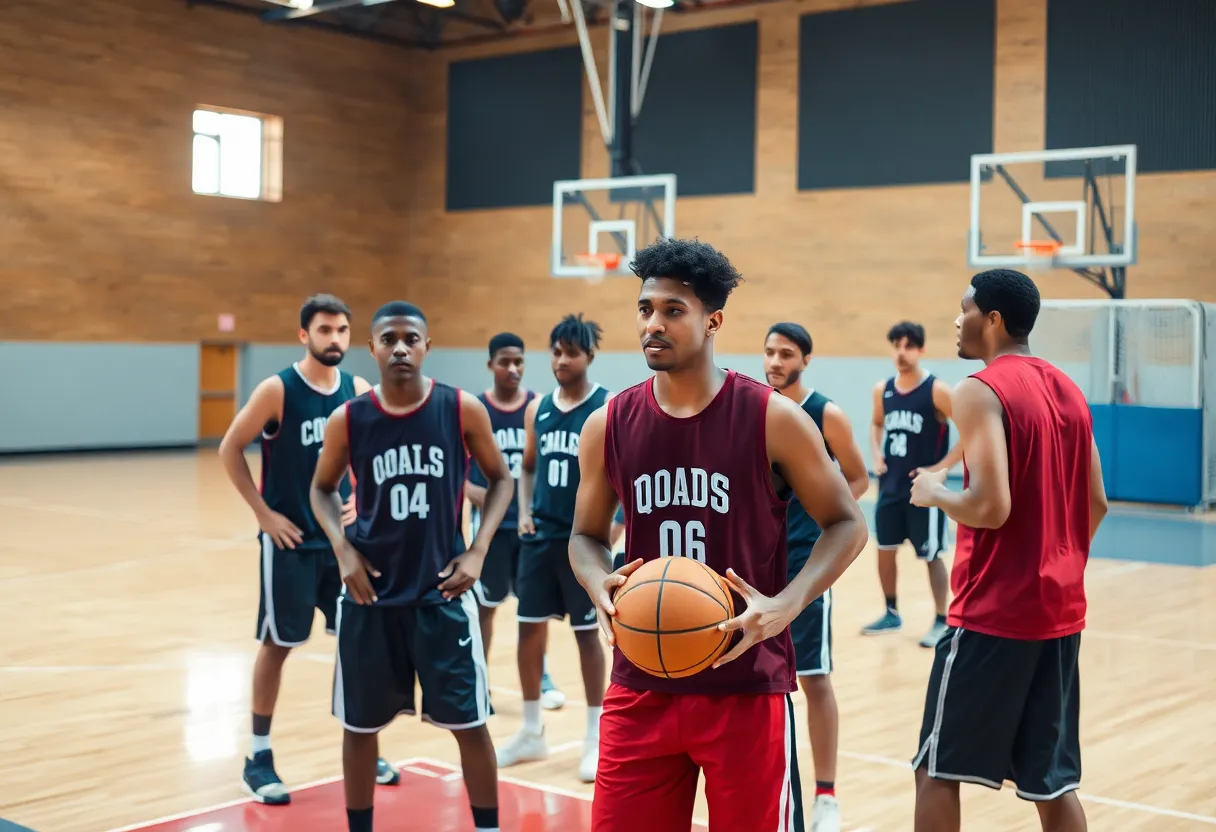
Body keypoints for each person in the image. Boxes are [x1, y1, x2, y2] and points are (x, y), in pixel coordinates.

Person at [569, 238, 870, 831]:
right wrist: (597, 582)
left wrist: (789, 601)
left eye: (673, 311)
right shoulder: (609, 424)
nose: (653, 324)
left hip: (747, 685)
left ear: (713, 321)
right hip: (641, 683)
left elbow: (848, 522)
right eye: (645, 309)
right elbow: (584, 537)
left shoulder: (773, 418)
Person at [909, 269, 1107, 832]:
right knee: (1052, 783)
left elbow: (991, 506)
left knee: (936, 770)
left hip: (992, 616)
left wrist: (936, 492)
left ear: (991, 319)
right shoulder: (1068, 388)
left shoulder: (978, 387)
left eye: (964, 308)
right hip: (1059, 613)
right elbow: (1096, 502)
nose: (956, 319)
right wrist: (1056, 562)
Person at [309, 301, 515, 832]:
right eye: (388, 339)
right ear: (373, 347)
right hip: (369, 598)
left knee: (471, 726)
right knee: (359, 729)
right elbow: (321, 489)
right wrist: (342, 548)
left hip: (439, 596)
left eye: (411, 338)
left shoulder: (460, 408)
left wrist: (478, 551)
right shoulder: (349, 419)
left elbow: (502, 480)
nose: (400, 347)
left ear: (427, 345)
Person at [217, 294, 398, 804]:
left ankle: (366, 745)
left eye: (342, 330)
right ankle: (258, 756)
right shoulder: (278, 389)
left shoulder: (358, 389)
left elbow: (375, 451)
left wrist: (360, 496)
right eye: (325, 330)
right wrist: (263, 514)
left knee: (357, 646)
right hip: (292, 544)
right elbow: (230, 448)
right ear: (304, 335)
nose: (335, 339)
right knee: (279, 645)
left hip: (343, 545)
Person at [763, 322, 870, 832]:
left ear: (805, 360)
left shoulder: (825, 412)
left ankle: (825, 794)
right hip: (759, 567)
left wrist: (821, 501)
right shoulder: (760, 408)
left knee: (814, 677)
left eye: (786, 354)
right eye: (769, 352)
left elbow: (858, 476)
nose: (776, 361)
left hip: (808, 564)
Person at [495, 314, 608, 783]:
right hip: (541, 539)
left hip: (583, 543)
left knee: (587, 637)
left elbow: (620, 476)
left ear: (589, 356)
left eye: (571, 352)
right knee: (528, 631)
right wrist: (523, 511)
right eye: (556, 352)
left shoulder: (605, 408)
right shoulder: (537, 408)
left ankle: (594, 737)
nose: (562, 360)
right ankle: (530, 729)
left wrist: (615, 526)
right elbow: (527, 467)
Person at [465, 332, 566, 710]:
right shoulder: (476, 408)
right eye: (505, 362)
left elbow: (534, 466)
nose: (513, 368)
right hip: (490, 530)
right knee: (486, 606)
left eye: (519, 362)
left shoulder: (536, 407)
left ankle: (539, 675)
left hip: (528, 526)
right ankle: (480, 678)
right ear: (490, 364)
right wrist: (465, 489)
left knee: (534, 609)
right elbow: (453, 461)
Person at [862, 321, 963, 647]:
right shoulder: (884, 389)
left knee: (931, 555)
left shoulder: (937, 390)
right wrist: (876, 455)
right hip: (890, 487)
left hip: (924, 492)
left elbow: (971, 431)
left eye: (908, 346)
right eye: (897, 345)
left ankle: (941, 619)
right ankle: (891, 611)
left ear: (921, 350)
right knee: (885, 550)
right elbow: (876, 424)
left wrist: (941, 468)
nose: (901, 353)